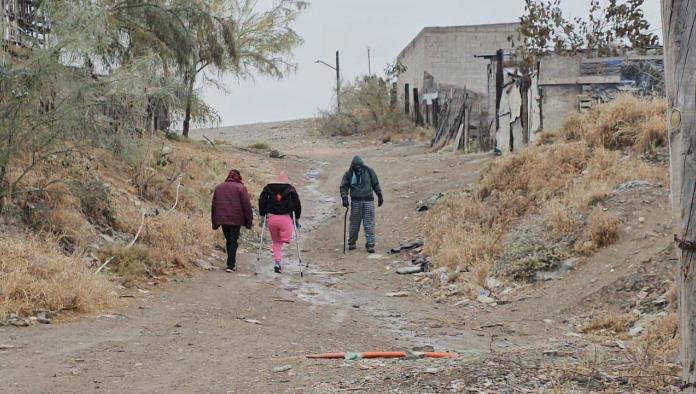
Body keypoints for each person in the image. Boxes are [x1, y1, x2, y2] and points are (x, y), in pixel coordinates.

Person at [258, 172, 302, 273]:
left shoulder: (268, 188)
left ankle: (278, 263)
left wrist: (262, 215)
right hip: (285, 219)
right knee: (284, 238)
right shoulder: (291, 189)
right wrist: (297, 218)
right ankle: (285, 238)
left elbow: (262, 201)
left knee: (276, 242)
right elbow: (297, 204)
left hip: (271, 218)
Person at [211, 169, 253, 272]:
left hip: (222, 219)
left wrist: (214, 222)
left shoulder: (219, 187)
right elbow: (247, 206)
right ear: (238, 177)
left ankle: (230, 263)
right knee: (233, 240)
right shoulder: (241, 188)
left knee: (229, 240)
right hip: (236, 219)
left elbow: (214, 206)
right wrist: (249, 222)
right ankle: (230, 265)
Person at [340, 155, 383, 253]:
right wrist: (344, 198)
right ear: (352, 166)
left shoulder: (369, 171)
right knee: (354, 224)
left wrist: (379, 195)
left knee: (369, 223)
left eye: (359, 166)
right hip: (355, 202)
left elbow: (375, 183)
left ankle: (370, 244)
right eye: (356, 166)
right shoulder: (349, 174)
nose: (358, 168)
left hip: (368, 201)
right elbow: (344, 186)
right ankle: (351, 242)